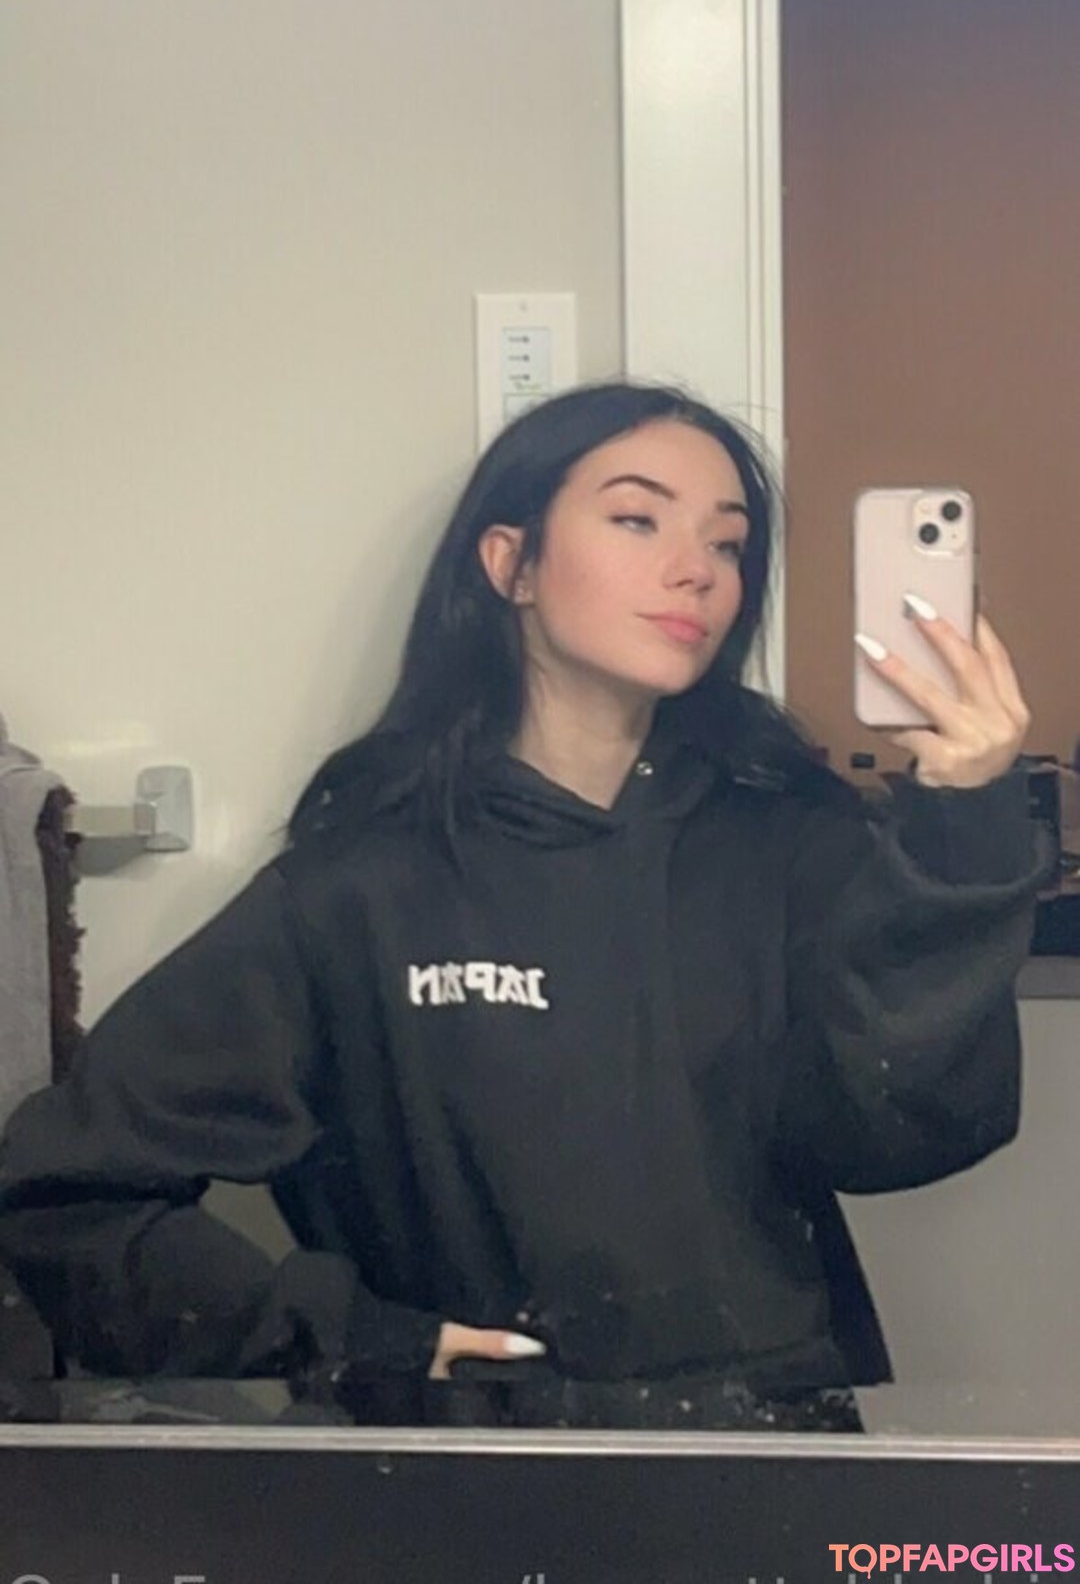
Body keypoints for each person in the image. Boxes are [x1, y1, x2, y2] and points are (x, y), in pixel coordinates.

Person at [0, 382, 1046, 1431]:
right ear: (512, 563)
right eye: (637, 518)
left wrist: (963, 824)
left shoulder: (789, 839)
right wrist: (360, 1344)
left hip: (778, 1447)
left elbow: (902, 1133)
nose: (697, 568)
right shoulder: (362, 885)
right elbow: (64, 1195)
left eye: (727, 544)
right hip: (478, 1470)